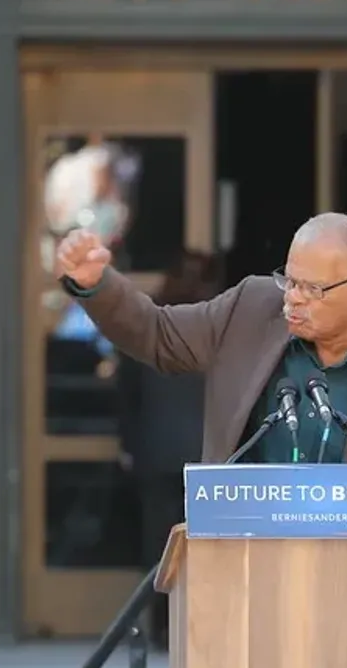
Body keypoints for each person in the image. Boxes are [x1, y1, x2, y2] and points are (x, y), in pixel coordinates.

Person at [57, 212, 347, 534]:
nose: (292, 300)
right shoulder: (250, 309)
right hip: (247, 582)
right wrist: (98, 285)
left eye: (312, 289)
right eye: (289, 281)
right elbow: (159, 335)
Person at [116, 250, 219, 649]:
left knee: (160, 547)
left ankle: (162, 629)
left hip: (157, 453)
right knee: (204, 548)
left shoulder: (149, 332)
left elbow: (127, 398)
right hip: (205, 456)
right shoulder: (217, 331)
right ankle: (197, 630)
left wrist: (129, 446)